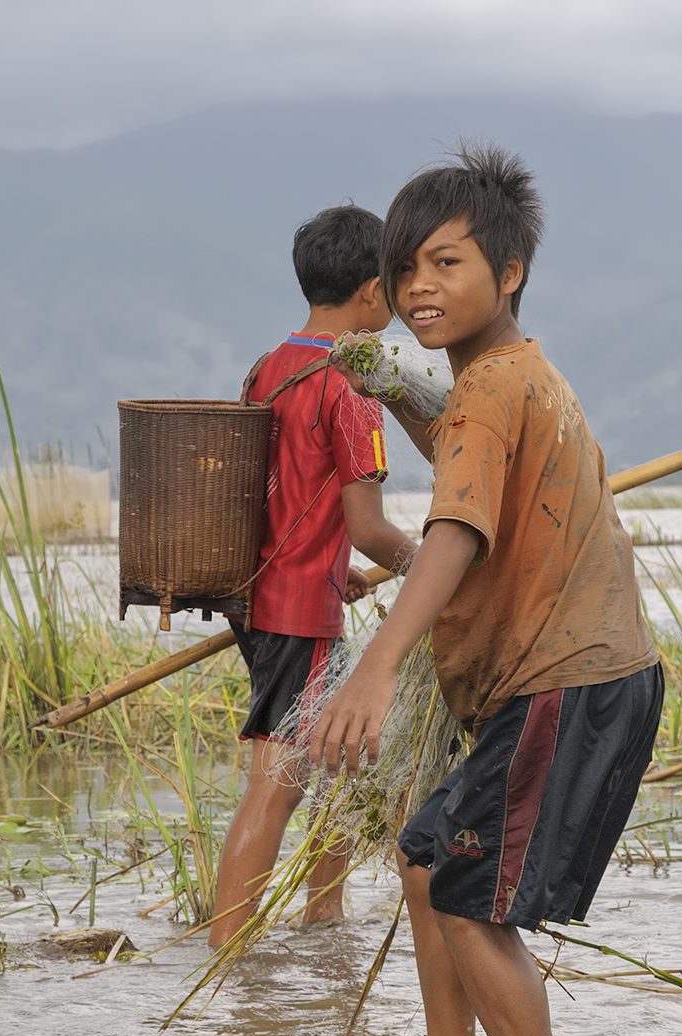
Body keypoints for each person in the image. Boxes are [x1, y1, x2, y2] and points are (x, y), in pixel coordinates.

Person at [309, 148, 662, 1036]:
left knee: (465, 891)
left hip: (568, 680)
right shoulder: (507, 378)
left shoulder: (492, 390)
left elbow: (456, 530)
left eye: (448, 263)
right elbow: (467, 446)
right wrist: (403, 391)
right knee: (430, 860)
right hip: (579, 679)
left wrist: (374, 671)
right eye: (406, 268)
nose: (420, 285)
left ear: (508, 274)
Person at [206, 206, 415, 948]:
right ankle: (226, 955)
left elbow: (275, 500)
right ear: (370, 290)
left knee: (351, 753)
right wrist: (436, 565)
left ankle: (323, 920)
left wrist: (343, 573)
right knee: (280, 779)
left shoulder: (270, 366)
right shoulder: (352, 384)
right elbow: (370, 526)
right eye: (396, 281)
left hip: (262, 596)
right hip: (298, 610)